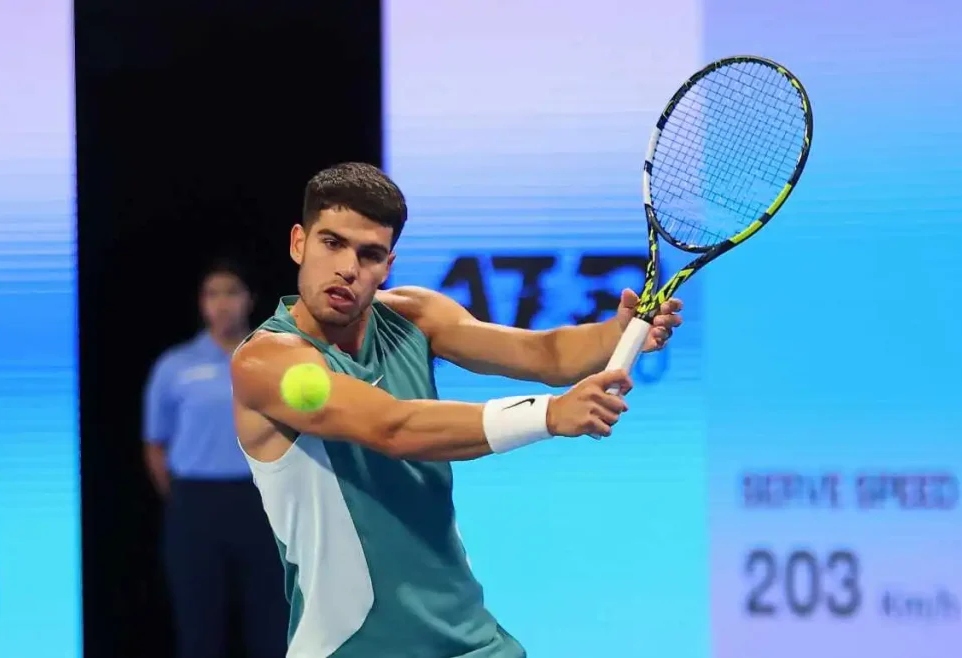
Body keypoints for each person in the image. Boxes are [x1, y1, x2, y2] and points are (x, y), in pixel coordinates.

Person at [230, 163, 683, 658]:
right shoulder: (266, 362)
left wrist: (618, 332)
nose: (347, 268)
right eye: (332, 243)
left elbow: (544, 354)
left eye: (369, 254)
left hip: (469, 640)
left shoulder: (414, 315)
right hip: (354, 648)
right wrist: (549, 415)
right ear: (299, 243)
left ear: (388, 265)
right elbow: (392, 427)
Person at [142, 258, 289, 658]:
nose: (222, 303)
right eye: (213, 294)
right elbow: (155, 445)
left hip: (259, 503)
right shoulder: (174, 366)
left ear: (250, 299)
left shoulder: (274, 360)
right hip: (195, 506)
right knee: (199, 631)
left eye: (232, 292)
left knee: (270, 628)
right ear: (201, 303)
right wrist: (184, 498)